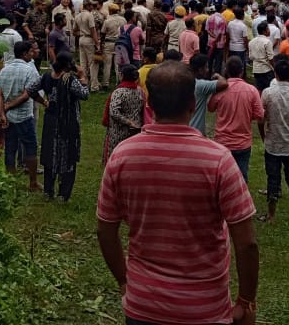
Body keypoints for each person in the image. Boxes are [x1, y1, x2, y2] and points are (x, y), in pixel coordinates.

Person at [97, 61, 260, 325]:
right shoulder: (218, 160)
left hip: (143, 305)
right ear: (193, 105)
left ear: (148, 105)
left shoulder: (122, 156)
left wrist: (125, 281)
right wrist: (246, 300)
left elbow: (105, 231)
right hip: (204, 307)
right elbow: (247, 243)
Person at [25, 50, 89, 202]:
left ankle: (48, 191)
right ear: (68, 65)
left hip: (51, 120)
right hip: (67, 122)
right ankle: (63, 194)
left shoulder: (47, 77)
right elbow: (84, 94)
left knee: (49, 154)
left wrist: (44, 102)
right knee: (68, 156)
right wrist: (83, 78)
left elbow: (30, 90)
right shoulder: (70, 80)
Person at [260, 59, 289, 224]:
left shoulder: (267, 93)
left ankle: (271, 216)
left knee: (272, 179)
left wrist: (263, 135)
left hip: (272, 142)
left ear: (276, 75)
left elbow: (261, 117)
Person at [210, 56, 265, 181]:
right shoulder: (252, 90)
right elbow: (260, 115)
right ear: (242, 71)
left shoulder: (220, 90)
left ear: (226, 70)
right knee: (241, 177)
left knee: (221, 178)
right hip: (242, 142)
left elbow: (211, 107)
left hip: (222, 141)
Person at [0, 40, 42, 191]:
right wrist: (44, 102)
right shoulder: (29, 71)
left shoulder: (4, 70)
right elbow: (27, 94)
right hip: (24, 115)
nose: (33, 54)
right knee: (30, 148)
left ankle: (10, 181)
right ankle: (33, 182)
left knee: (10, 148)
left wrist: (3, 111)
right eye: (31, 52)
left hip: (9, 117)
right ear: (24, 54)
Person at [102, 64, 144, 163]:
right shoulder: (140, 91)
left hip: (118, 131)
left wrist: (128, 122)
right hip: (135, 130)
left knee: (116, 158)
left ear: (122, 75)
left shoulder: (119, 92)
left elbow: (114, 112)